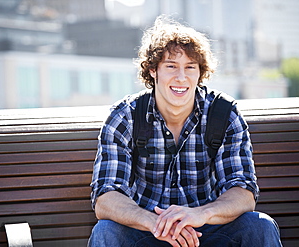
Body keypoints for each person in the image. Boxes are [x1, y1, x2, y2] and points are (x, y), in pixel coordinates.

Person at [88, 15, 282, 247]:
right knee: (106, 231)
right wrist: (154, 223)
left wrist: (201, 214)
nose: (181, 77)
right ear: (152, 70)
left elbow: (243, 191)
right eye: (171, 66)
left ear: (200, 72)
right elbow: (105, 198)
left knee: (259, 225)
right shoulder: (125, 116)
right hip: (147, 231)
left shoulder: (224, 114)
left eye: (190, 67)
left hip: (207, 232)